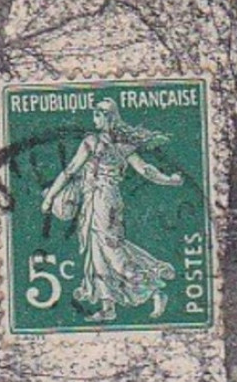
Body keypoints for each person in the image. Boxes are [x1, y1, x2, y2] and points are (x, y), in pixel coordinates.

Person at [40, 97, 184, 321]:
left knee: (111, 251)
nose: (94, 118)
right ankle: (108, 307)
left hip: (102, 200)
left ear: (108, 118)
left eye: (98, 114)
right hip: (99, 200)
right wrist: (169, 180)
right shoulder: (113, 144)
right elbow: (146, 170)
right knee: (96, 250)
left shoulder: (98, 143)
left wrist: (50, 197)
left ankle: (154, 289)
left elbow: (70, 170)